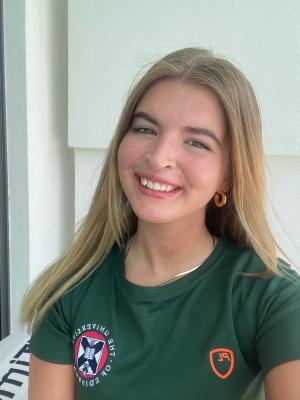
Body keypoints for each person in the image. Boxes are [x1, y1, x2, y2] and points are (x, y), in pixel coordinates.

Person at [21, 48, 300, 400]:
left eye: (196, 142)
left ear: (229, 175)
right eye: (145, 129)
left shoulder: (273, 298)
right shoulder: (68, 292)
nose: (159, 156)